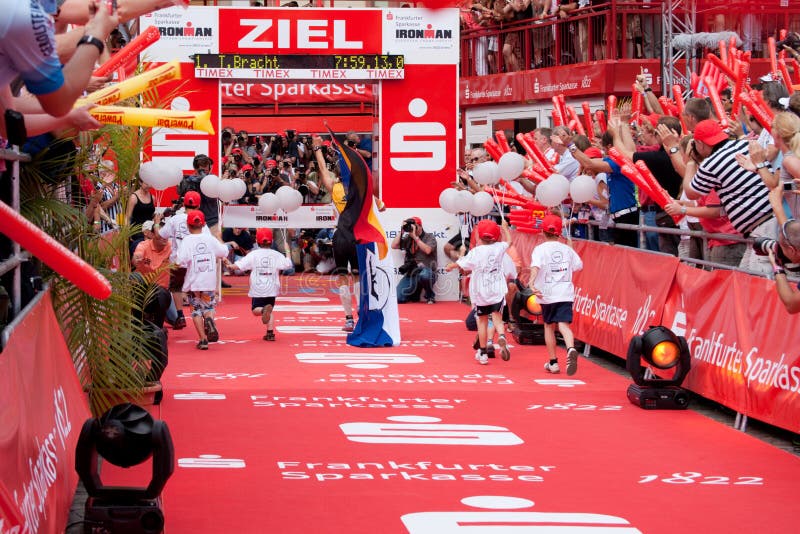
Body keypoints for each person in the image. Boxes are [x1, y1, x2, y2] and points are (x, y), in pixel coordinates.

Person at [0, 0, 119, 138]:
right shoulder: (22, 18)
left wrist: (69, 114)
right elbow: (58, 104)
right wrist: (95, 35)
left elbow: (10, 113)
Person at [684, 119, 775, 275]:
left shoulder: (710, 164)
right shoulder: (745, 144)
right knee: (745, 279)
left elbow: (691, 192)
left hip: (764, 225)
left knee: (758, 281)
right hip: (763, 224)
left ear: (699, 143)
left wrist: (691, 164)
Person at [446, 219, 512, 365]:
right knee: (497, 318)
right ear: (496, 235)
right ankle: (501, 336)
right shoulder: (499, 247)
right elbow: (509, 241)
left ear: (478, 236)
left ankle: (482, 353)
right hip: (496, 288)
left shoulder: (476, 252)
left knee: (481, 321)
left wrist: (450, 266)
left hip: (481, 290)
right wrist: (506, 228)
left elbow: (460, 264)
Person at [529, 213, 583, 376]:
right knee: (563, 325)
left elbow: (536, 267)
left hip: (547, 293)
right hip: (565, 292)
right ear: (559, 233)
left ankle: (553, 362)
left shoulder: (539, 249)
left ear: (543, 232)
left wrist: (531, 282)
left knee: (548, 326)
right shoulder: (567, 249)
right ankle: (571, 348)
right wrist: (570, 250)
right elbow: (578, 266)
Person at [176, 210, 229, 350]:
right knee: (209, 306)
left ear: (188, 225)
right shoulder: (209, 238)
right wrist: (219, 238)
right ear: (203, 223)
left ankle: (203, 339)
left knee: (195, 310)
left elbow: (180, 261)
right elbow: (224, 251)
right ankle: (210, 319)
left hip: (194, 283)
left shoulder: (186, 241)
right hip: (208, 281)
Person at [230, 228, 294, 341]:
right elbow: (288, 265)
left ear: (257, 240)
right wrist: (287, 251)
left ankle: (264, 310)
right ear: (272, 240)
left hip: (258, 287)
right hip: (272, 287)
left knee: (256, 310)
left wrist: (230, 265)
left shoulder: (253, 254)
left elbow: (239, 266)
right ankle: (270, 333)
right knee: (269, 310)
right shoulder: (277, 254)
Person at [393, 216, 438, 304]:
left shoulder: (429, 237)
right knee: (398, 298)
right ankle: (414, 292)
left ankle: (430, 297)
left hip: (427, 271)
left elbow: (428, 250)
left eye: (414, 226)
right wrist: (402, 231)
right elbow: (394, 246)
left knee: (424, 275)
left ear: (420, 226)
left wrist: (415, 238)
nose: (412, 229)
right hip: (412, 272)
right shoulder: (408, 238)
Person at [178, 154, 221, 238]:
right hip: (194, 221)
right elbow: (181, 194)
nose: (205, 172)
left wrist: (206, 181)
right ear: (196, 168)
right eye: (202, 170)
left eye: (206, 169)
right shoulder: (189, 181)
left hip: (212, 221)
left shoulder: (213, 180)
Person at [126, 178, 155, 256]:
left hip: (149, 233)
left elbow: (151, 215)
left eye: (150, 183)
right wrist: (128, 233)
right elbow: (128, 217)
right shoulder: (133, 197)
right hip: (136, 232)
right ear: (140, 182)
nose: (149, 186)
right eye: (146, 183)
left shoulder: (152, 197)